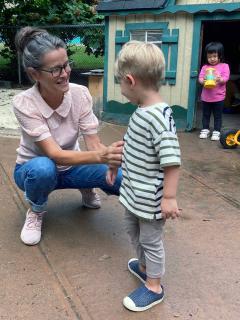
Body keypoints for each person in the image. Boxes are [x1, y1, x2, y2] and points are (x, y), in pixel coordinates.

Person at [13, 26, 123, 246]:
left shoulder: (80, 94)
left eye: (66, 65)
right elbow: (55, 154)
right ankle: (36, 209)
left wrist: (111, 158)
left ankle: (86, 187)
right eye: (55, 69)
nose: (64, 73)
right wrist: (102, 157)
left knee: (118, 178)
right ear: (34, 73)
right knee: (43, 168)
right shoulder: (24, 103)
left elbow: (92, 142)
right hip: (33, 170)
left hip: (72, 166)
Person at [106, 41, 181, 312]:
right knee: (131, 230)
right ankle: (145, 267)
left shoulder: (159, 117)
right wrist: (116, 165)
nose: (121, 89)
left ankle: (154, 286)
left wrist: (169, 197)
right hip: (134, 192)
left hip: (151, 199)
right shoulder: (142, 111)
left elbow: (172, 161)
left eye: (120, 83)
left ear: (130, 80)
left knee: (150, 240)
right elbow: (133, 144)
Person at [198, 42, 230, 140]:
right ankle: (205, 129)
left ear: (219, 55)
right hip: (206, 97)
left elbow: (226, 78)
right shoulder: (205, 67)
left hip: (218, 97)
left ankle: (216, 131)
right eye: (209, 57)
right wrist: (202, 81)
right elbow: (200, 78)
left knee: (217, 115)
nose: (212, 59)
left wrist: (220, 79)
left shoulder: (224, 66)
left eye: (215, 56)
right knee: (205, 115)